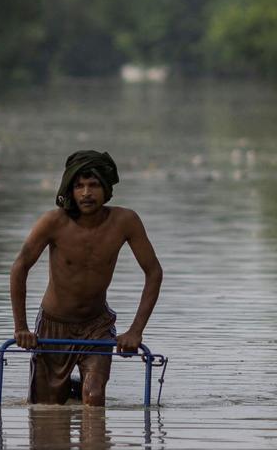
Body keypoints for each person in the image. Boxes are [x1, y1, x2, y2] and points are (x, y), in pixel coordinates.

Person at [9, 148, 163, 406]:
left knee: (94, 395)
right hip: (53, 323)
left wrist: (136, 331)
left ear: (106, 189)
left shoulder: (125, 221)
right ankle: (68, 391)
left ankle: (90, 424)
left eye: (93, 185)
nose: (86, 193)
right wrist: (21, 328)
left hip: (97, 325)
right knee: (46, 410)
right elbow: (19, 267)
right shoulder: (53, 222)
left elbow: (153, 272)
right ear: (70, 189)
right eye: (79, 186)